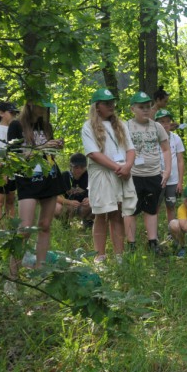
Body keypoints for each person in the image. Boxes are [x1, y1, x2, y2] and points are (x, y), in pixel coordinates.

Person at [7, 100, 65, 278]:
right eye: (42, 105)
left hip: (49, 178)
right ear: (31, 104)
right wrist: (43, 147)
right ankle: (13, 276)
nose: (45, 109)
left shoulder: (46, 125)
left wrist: (56, 146)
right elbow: (14, 156)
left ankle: (40, 271)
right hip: (28, 180)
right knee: (25, 229)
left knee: (45, 226)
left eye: (47, 106)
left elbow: (49, 155)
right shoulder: (16, 126)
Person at [82, 88, 138, 263]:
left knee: (117, 213)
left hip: (121, 174)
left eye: (112, 102)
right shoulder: (88, 126)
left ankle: (119, 256)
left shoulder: (120, 124)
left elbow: (130, 149)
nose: (111, 106)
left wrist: (127, 166)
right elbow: (93, 153)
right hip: (102, 174)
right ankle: (99, 256)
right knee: (101, 214)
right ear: (97, 106)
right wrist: (118, 167)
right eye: (107, 103)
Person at [124, 91, 171, 254]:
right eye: (141, 107)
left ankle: (152, 242)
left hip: (153, 174)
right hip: (133, 176)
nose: (145, 110)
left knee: (151, 209)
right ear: (133, 109)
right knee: (131, 209)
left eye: (148, 106)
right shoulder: (126, 126)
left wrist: (167, 171)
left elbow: (166, 149)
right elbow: (118, 149)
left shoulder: (156, 126)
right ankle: (131, 245)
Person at [0, 102, 19, 226]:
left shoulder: (12, 128)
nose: (13, 116)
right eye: (10, 113)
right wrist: (2, 172)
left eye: (15, 113)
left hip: (12, 170)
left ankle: (11, 227)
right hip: (3, 170)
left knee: (11, 200)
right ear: (1, 113)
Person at [155, 109, 185, 223]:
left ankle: (171, 232)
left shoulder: (175, 138)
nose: (165, 124)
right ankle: (154, 235)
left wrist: (180, 182)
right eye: (162, 121)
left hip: (173, 180)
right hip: (157, 179)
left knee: (171, 206)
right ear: (156, 123)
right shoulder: (153, 139)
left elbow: (180, 161)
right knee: (155, 207)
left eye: (167, 121)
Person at [54, 153, 93, 228]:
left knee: (95, 203)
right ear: (70, 166)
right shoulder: (64, 176)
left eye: (82, 167)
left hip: (84, 206)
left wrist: (90, 199)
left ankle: (88, 221)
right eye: (76, 167)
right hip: (68, 206)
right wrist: (69, 202)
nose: (79, 170)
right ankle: (65, 223)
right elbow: (55, 197)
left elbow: (98, 193)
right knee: (56, 208)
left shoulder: (89, 176)